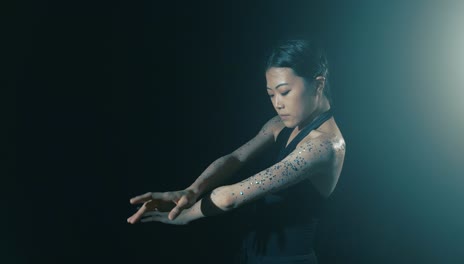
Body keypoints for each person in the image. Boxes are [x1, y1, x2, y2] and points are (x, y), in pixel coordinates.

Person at [127, 39, 346, 264]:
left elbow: (230, 197)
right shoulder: (280, 123)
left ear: (318, 85)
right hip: (251, 253)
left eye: (285, 92)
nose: (277, 104)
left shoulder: (323, 146)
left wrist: (184, 215)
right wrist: (191, 191)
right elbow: (236, 158)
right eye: (271, 94)